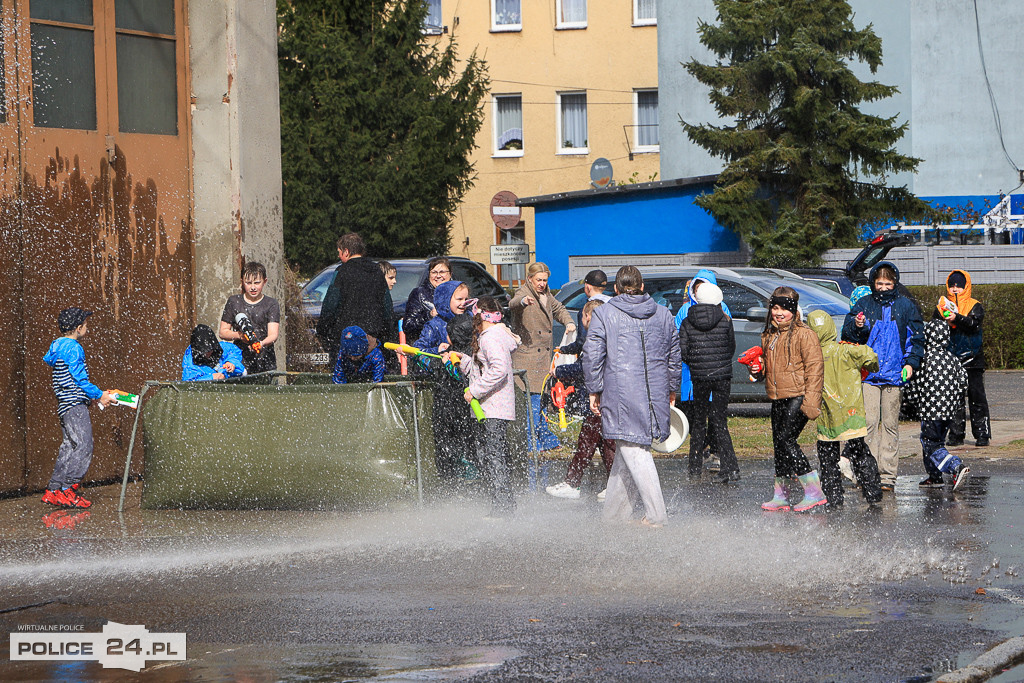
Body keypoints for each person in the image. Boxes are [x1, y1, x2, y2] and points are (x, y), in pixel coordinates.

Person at [583, 265, 680, 527]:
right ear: (643, 287)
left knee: (633, 448)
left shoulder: (603, 314)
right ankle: (613, 518)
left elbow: (593, 355)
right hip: (654, 390)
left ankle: (657, 515)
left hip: (620, 390)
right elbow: (674, 357)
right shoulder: (663, 314)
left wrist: (594, 388)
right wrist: (672, 388)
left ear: (615, 289)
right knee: (630, 449)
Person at [842, 262, 924, 492]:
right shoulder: (863, 304)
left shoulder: (906, 306)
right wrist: (857, 325)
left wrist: (911, 364)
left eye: (888, 283)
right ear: (873, 283)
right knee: (867, 425)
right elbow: (848, 335)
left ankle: (887, 476)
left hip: (895, 377)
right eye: (880, 283)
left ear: (895, 283)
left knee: (890, 426)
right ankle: (867, 474)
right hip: (869, 376)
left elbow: (916, 339)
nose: (884, 287)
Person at [754, 286, 827, 512]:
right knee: (779, 445)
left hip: (799, 394)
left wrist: (812, 401)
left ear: (794, 311)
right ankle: (781, 495)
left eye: (784, 309)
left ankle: (813, 490)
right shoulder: (770, 334)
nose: (779, 313)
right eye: (775, 308)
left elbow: (815, 369)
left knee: (787, 440)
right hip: (778, 395)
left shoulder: (804, 334)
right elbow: (772, 367)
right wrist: (759, 369)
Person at [805, 309, 883, 507]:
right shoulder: (846, 351)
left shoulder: (811, 357)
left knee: (828, 458)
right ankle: (873, 492)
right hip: (851, 412)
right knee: (859, 452)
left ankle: (833, 497)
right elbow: (870, 357)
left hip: (827, 415)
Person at [41, 308, 117, 508]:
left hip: (65, 404)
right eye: (85, 324)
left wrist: (90, 398)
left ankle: (53, 489)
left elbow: (57, 369)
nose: (87, 327)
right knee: (84, 445)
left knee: (69, 445)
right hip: (74, 405)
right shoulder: (74, 347)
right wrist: (99, 395)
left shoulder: (56, 345)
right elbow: (80, 379)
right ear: (78, 328)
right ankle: (69, 489)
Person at [455, 296, 520, 518]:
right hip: (492, 407)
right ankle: (503, 503)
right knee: (489, 456)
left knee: (492, 457)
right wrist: (462, 360)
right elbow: (482, 368)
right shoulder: (493, 336)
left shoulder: (490, 338)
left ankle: (503, 506)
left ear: (481, 316)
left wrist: (474, 390)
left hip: (492, 407)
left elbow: (499, 370)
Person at [545, 300, 615, 500]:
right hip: (604, 397)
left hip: (600, 398)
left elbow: (586, 368)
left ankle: (572, 483)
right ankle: (614, 484)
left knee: (587, 443)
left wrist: (559, 371)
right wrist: (565, 351)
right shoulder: (604, 336)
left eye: (584, 316)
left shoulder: (596, 339)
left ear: (588, 317)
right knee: (605, 443)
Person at [510, 262, 576, 452]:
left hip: (543, 358)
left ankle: (545, 437)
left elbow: (559, 309)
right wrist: (523, 302)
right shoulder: (523, 293)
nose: (542, 283)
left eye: (545, 280)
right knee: (534, 402)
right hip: (529, 358)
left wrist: (569, 322)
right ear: (529, 279)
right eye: (538, 280)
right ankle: (533, 442)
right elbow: (514, 303)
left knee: (542, 400)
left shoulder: (546, 294)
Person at [677, 282, 740, 483]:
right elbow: (731, 347)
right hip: (722, 376)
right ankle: (731, 467)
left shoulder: (687, 322)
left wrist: (697, 364)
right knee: (720, 421)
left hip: (699, 376)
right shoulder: (725, 320)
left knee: (698, 422)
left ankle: (694, 466)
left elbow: (683, 352)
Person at [905, 319, 972, 491]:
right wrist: (955, 398)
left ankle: (955, 466)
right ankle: (934, 477)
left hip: (930, 410)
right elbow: (964, 382)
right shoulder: (953, 359)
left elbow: (914, 386)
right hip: (950, 410)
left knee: (930, 442)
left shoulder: (923, 359)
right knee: (937, 441)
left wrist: (911, 403)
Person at [934, 269, 990, 447]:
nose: (955, 289)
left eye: (959, 286)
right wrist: (945, 322)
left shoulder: (975, 305)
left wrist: (956, 318)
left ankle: (982, 434)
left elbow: (974, 325)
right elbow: (935, 329)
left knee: (977, 398)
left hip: (973, 359)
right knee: (954, 399)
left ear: (966, 287)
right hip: (950, 359)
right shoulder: (941, 306)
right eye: (952, 286)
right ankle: (955, 434)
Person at [316, 233, 393, 361]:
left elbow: (331, 305)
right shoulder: (377, 271)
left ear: (346, 252)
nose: (338, 256)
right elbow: (387, 307)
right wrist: (387, 334)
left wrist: (322, 330)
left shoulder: (342, 272)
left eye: (339, 252)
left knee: (343, 377)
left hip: (346, 339)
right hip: (372, 339)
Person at [219, 261, 280, 374]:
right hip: (239, 361)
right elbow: (223, 332)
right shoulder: (234, 302)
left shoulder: (271, 304)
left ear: (264, 281)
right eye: (248, 283)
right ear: (242, 282)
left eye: (257, 283)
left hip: (266, 361)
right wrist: (240, 335)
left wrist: (261, 343)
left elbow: (273, 335)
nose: (253, 287)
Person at [412, 280, 471, 356]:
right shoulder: (435, 325)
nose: (464, 303)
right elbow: (419, 349)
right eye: (459, 299)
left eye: (466, 299)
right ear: (446, 300)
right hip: (442, 364)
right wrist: (438, 350)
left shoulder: (469, 318)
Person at [404, 257, 453, 343]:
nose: (438, 276)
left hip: (453, 345)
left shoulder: (457, 293)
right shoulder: (419, 293)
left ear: (450, 274)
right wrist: (429, 316)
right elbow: (408, 326)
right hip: (428, 346)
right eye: (434, 272)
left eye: (442, 272)